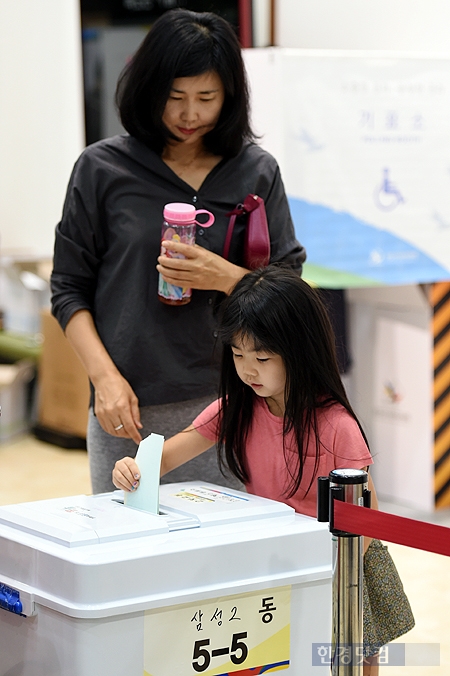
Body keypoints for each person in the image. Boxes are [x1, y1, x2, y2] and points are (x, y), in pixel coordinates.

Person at [50, 9, 305, 494]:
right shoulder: (102, 169)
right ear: (148, 91)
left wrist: (226, 276)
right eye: (175, 97)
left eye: (207, 98)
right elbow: (68, 289)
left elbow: (288, 283)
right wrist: (103, 379)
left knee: (224, 557)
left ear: (229, 97)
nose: (190, 115)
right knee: (127, 552)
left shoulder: (255, 172)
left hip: (236, 397)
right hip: (127, 403)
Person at [113, 266, 414, 676]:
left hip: (336, 565)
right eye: (237, 355)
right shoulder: (237, 407)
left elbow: (367, 519)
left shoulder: (335, 424)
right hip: (271, 559)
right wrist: (134, 468)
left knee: (349, 660)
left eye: (262, 357)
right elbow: (164, 457)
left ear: (299, 350)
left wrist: (330, 577)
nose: (247, 370)